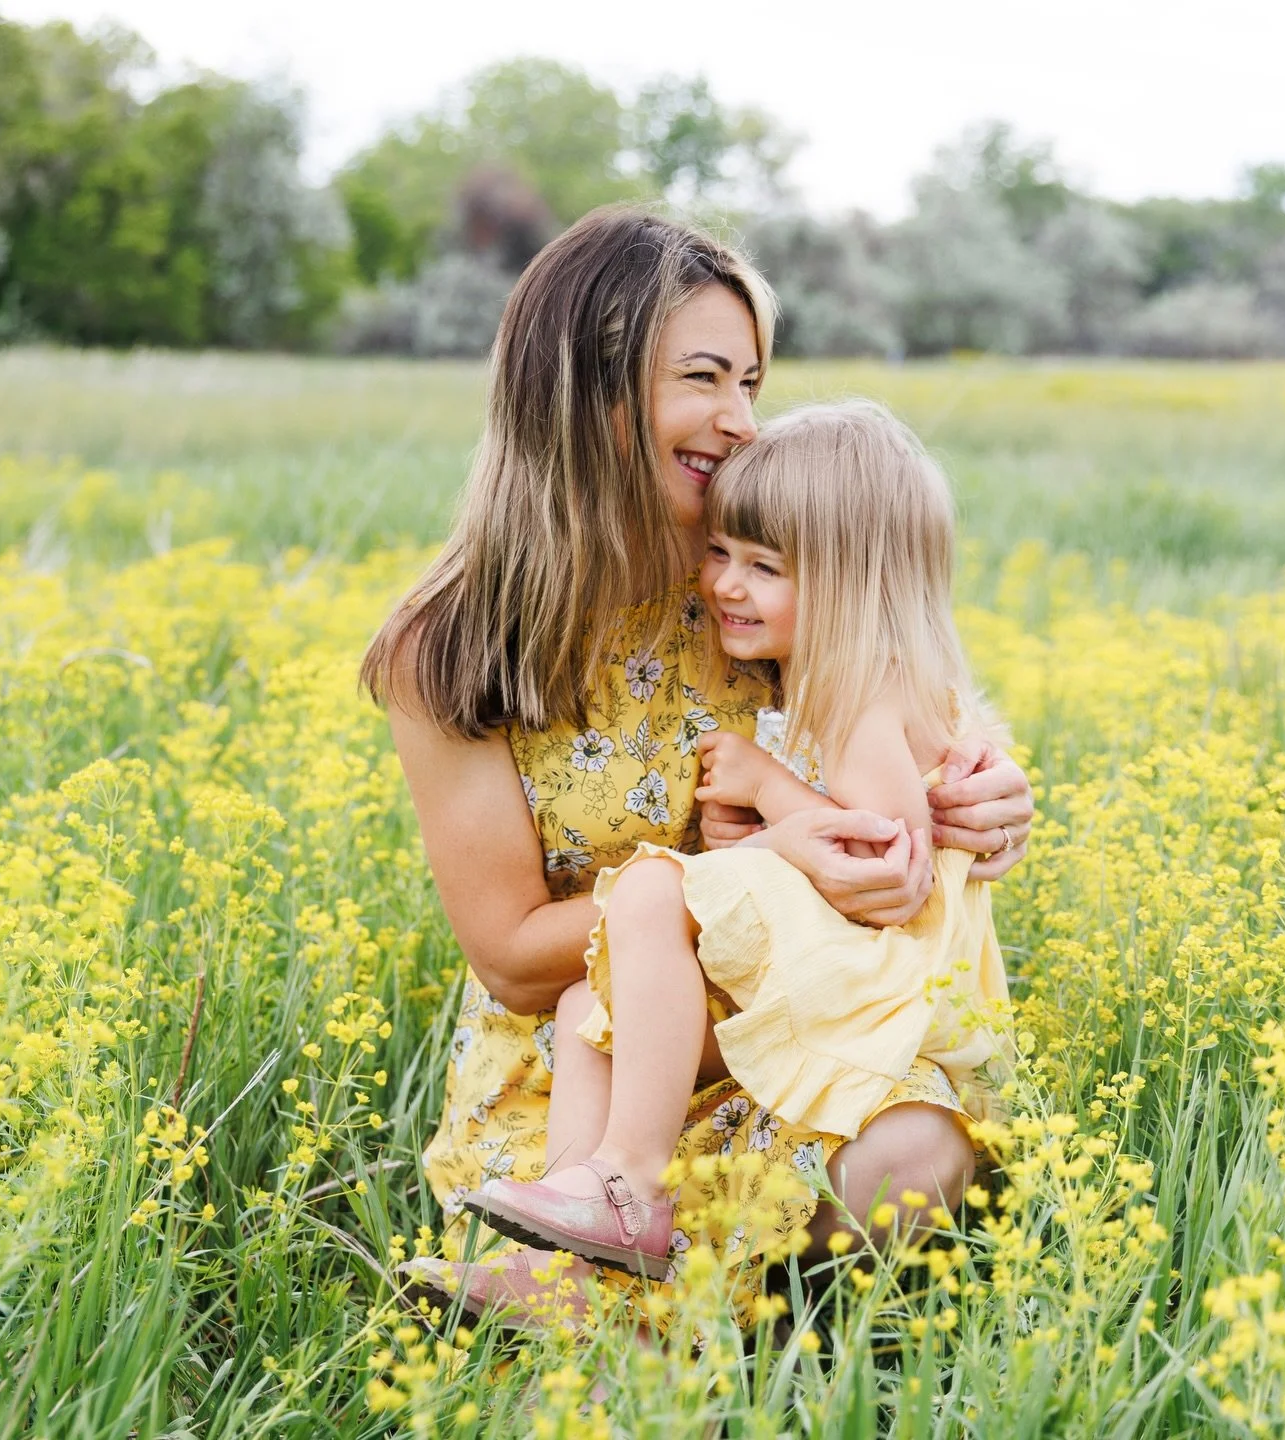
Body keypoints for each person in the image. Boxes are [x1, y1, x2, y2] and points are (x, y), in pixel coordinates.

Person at [361, 208, 1033, 1319]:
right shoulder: (453, 644)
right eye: (706, 379)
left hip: (781, 1026)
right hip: (588, 1064)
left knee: (914, 1158)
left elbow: (901, 721)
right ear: (588, 386)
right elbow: (516, 962)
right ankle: (633, 1282)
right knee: (592, 1118)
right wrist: (764, 864)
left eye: (754, 386)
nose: (739, 421)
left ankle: (649, 1307)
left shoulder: (758, 570)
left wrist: (986, 796)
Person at [460, 402, 1014, 1280]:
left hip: (874, 989)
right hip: (832, 973)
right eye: (721, 554)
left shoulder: (864, 702)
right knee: (583, 1013)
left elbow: (886, 869)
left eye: (764, 567)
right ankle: (579, 1233)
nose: (725, 584)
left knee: (647, 893)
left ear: (848, 584)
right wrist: (752, 830)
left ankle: (629, 1188)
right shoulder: (826, 681)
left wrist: (769, 790)